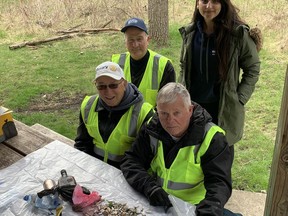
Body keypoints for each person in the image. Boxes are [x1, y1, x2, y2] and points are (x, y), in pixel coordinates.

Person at [121, 82, 240, 215]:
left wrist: (209, 209)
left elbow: (219, 183)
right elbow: (131, 160)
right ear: (157, 111)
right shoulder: (151, 127)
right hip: (159, 201)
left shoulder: (212, 137)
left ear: (190, 110)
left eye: (177, 113)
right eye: (164, 113)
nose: (170, 120)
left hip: (195, 205)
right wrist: (149, 187)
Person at [178, 0, 262, 145]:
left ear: (223, 4)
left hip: (222, 109)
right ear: (197, 4)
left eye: (215, 1)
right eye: (204, 1)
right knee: (193, 159)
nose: (209, 6)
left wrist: (240, 98)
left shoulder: (237, 35)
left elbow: (253, 68)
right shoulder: (190, 33)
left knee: (220, 160)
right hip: (193, 109)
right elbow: (183, 66)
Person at [74, 61, 154, 169]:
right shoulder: (88, 106)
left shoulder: (144, 113)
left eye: (113, 85)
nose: (108, 92)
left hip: (126, 176)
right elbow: (82, 144)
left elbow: (145, 159)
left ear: (124, 84)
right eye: (101, 87)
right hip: (94, 171)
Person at [112, 17, 176, 107]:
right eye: (130, 40)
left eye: (139, 39)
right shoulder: (115, 64)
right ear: (125, 42)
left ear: (148, 40)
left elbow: (169, 105)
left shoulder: (164, 66)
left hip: (152, 119)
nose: (135, 44)